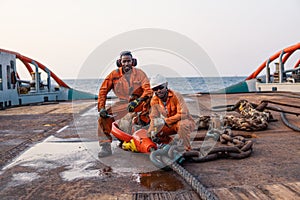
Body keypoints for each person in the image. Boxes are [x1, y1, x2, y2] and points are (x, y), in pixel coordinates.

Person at [97, 51, 152, 157]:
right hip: (123, 104)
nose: (127, 64)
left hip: (139, 102)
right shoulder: (114, 75)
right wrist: (102, 108)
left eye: (129, 61)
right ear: (120, 62)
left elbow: (148, 90)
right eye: (124, 61)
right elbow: (103, 91)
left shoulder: (140, 73)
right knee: (103, 118)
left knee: (151, 101)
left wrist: (138, 101)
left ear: (133, 62)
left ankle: (145, 125)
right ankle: (105, 147)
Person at [147, 74, 195, 151]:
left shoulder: (176, 96)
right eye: (155, 89)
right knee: (155, 132)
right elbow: (153, 118)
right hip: (170, 125)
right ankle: (170, 144)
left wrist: (165, 121)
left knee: (182, 125)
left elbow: (183, 114)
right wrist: (151, 133)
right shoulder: (154, 101)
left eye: (161, 87)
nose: (159, 90)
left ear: (166, 85)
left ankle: (187, 149)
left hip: (185, 122)